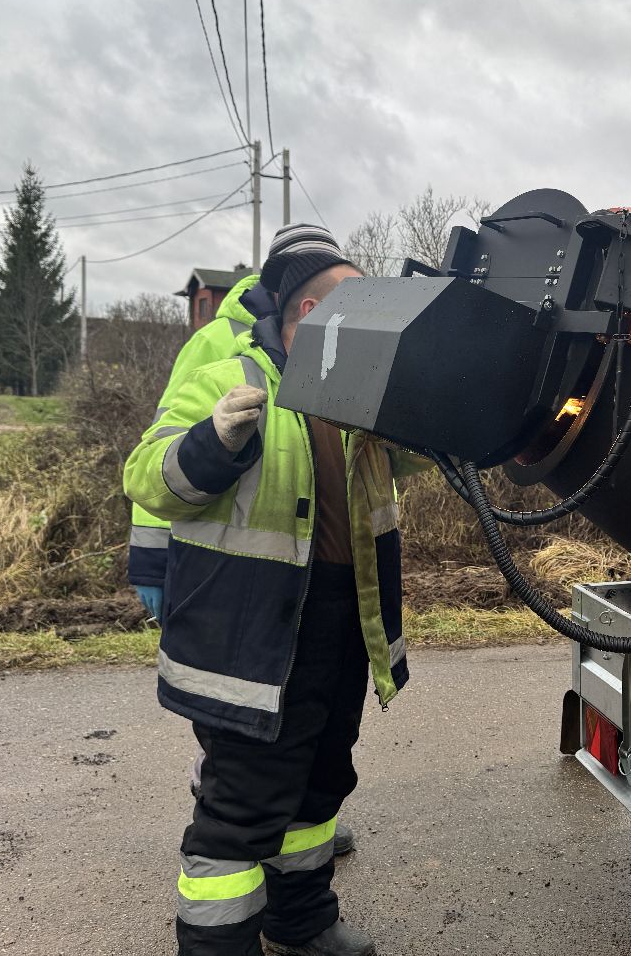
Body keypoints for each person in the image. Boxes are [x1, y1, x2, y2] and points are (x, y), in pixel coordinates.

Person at [124, 231, 421, 956]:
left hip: (341, 624)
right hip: (255, 633)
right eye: (357, 299)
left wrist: (426, 414)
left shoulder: (355, 390)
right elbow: (149, 478)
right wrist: (212, 441)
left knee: (321, 784)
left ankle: (302, 921)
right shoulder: (228, 375)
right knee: (242, 811)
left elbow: (405, 472)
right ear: (313, 307)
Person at [128, 225, 332, 619]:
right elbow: (162, 445)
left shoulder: (334, 335)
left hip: (320, 565)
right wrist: (151, 558)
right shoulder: (216, 340)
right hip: (230, 577)